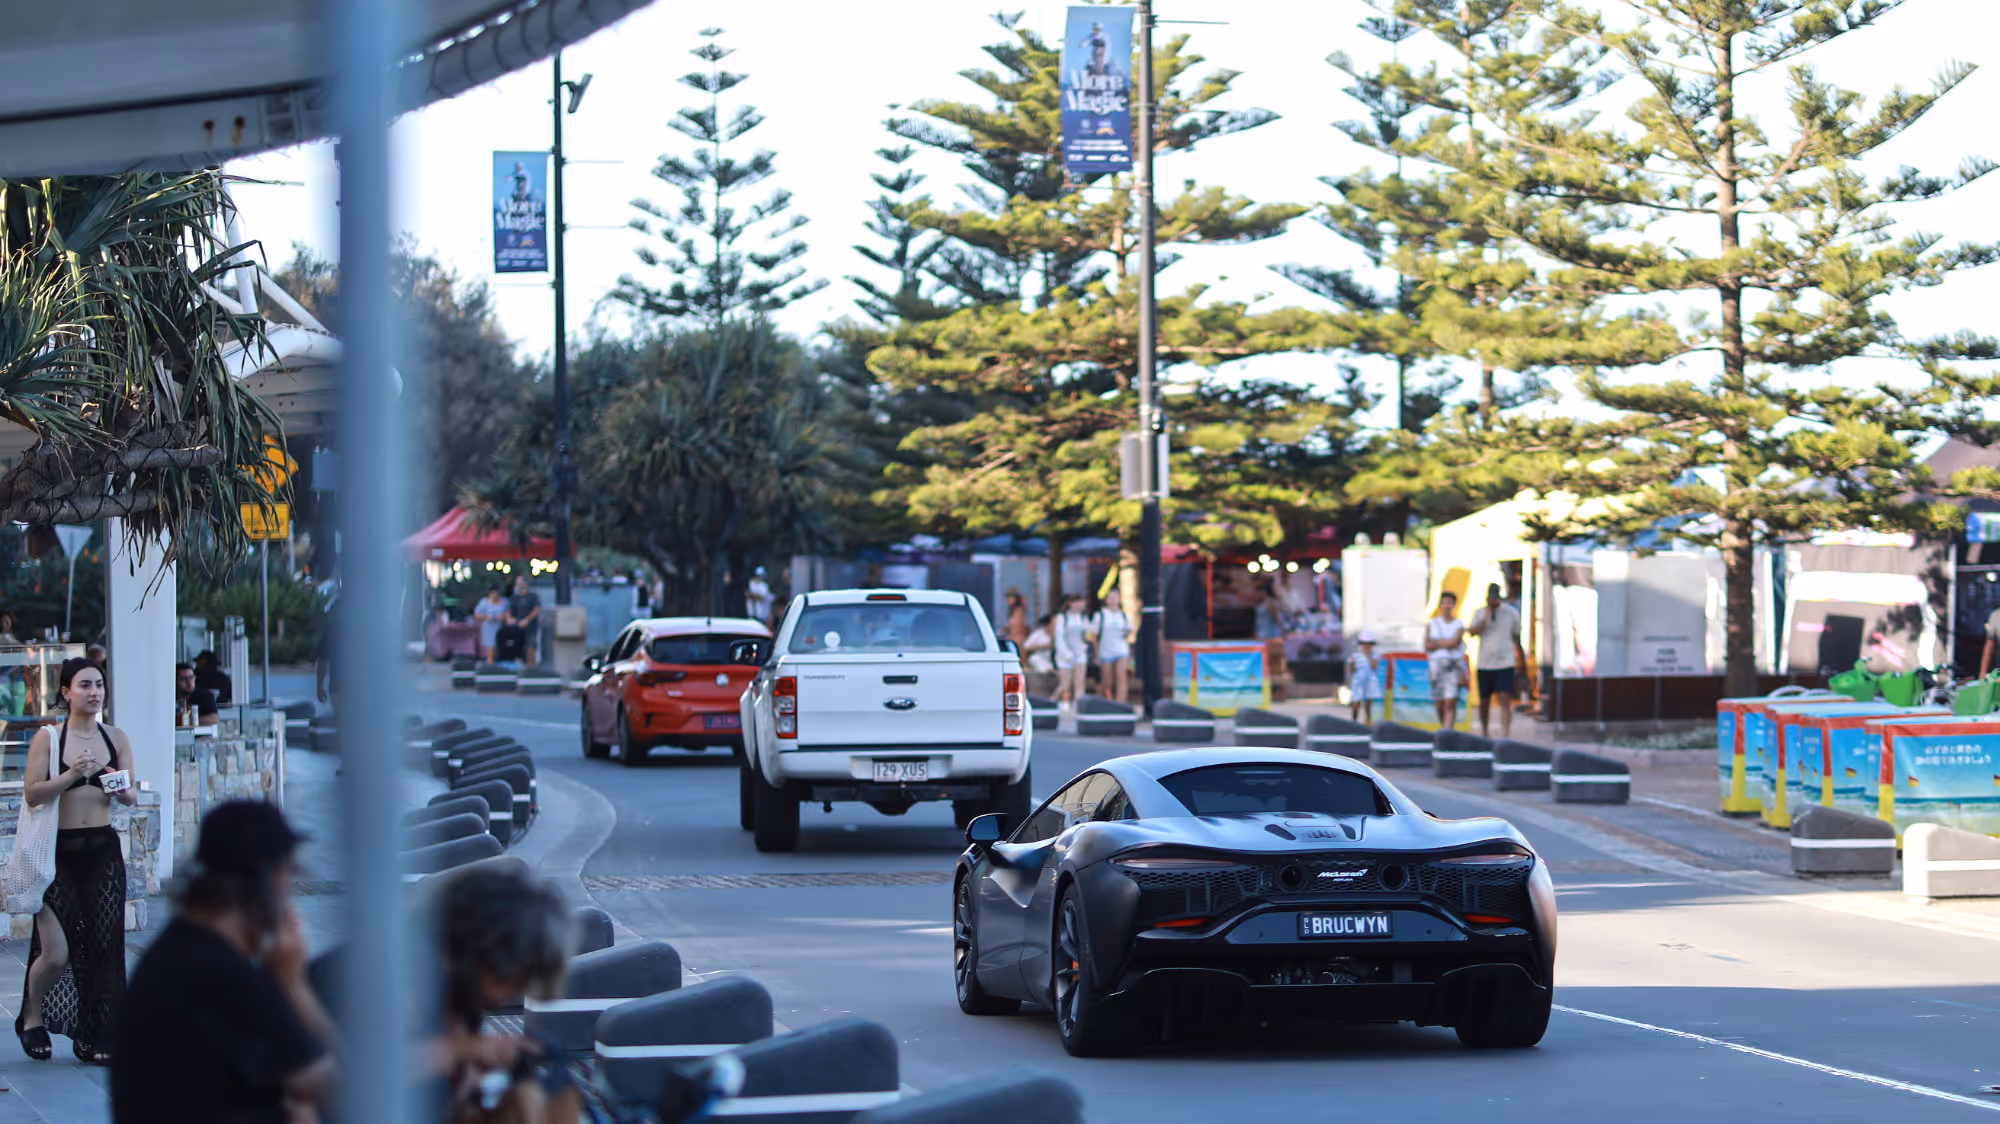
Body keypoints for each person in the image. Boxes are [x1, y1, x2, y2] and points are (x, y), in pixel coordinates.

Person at [111, 800, 335, 1123]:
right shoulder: (217, 972)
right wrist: (293, 985)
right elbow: (345, 1089)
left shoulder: (182, 952)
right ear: (270, 879)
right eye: (289, 875)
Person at [18, 657, 137, 1066]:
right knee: (55, 952)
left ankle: (97, 1033)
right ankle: (31, 1016)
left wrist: (110, 778)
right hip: (57, 853)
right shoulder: (49, 739)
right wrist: (71, 776)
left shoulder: (116, 738)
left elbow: (131, 795)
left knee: (105, 947)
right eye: (85, 685)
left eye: (99, 684)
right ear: (67, 692)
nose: (94, 692)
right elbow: (33, 794)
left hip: (102, 851)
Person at [425, 864, 581, 1124]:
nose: (516, 991)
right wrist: (463, 1049)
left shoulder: (461, 1003)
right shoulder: (399, 991)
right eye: (517, 976)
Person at [1467, 583, 1526, 738]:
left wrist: (1521, 661)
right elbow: (1472, 632)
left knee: (1505, 698)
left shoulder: (1511, 613)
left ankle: (1505, 732)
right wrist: (1486, 617)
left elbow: (1516, 637)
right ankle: (1485, 732)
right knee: (1484, 701)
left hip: (1505, 662)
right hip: (1485, 663)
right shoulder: (1480, 613)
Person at [1425, 591, 1468, 731]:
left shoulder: (1459, 624)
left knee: (1451, 700)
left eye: (1450, 603)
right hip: (1436, 665)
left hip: (1452, 665)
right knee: (1439, 702)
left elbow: (1455, 643)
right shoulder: (1433, 623)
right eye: (1444, 603)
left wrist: (1437, 643)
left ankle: (1449, 730)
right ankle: (1444, 727)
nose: (1447, 606)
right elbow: (1427, 645)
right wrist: (1446, 643)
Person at [1088, 596, 1132, 705]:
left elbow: (1128, 633)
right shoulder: (1100, 616)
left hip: (1121, 650)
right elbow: (1092, 636)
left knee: (1121, 678)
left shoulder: (1124, 615)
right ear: (1106, 601)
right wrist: (1096, 654)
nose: (1113, 600)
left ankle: (1120, 704)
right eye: (1111, 598)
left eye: (1115, 597)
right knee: (1107, 681)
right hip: (1105, 650)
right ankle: (1102, 702)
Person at [1053, 595, 1090, 707]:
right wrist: (1066, 653)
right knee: (1065, 684)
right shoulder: (1062, 618)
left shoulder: (1083, 618)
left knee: (1080, 682)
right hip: (1065, 655)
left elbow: (1087, 635)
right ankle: (1052, 702)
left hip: (1079, 654)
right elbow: (1059, 637)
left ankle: (1079, 707)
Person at [1347, 631, 1384, 725]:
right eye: (1364, 644)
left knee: (1368, 702)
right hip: (1359, 681)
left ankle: (1368, 720)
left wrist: (1368, 655)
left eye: (1369, 644)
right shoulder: (1355, 655)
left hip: (1370, 680)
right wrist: (1352, 664)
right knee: (1356, 702)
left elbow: (1375, 666)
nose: (1366, 646)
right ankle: (1354, 721)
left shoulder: (1375, 655)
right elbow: (1352, 670)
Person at [506, 575, 543, 666]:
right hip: (518, 630)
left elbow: (536, 609)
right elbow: (508, 611)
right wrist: (509, 618)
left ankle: (533, 671)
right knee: (519, 651)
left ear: (525, 583)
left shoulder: (532, 596)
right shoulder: (514, 598)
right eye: (517, 584)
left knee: (530, 650)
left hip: (531, 629)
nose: (519, 585)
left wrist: (527, 620)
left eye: (521, 583)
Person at [1023, 613, 1057, 698]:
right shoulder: (1038, 634)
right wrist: (1044, 646)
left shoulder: (1055, 635)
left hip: (1048, 660)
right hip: (1038, 658)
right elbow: (1027, 646)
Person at [176, 662, 220, 727]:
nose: (189, 682)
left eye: (191, 678)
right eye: (184, 679)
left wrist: (188, 720)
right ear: (175, 681)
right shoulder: (170, 697)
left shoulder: (204, 695)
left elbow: (214, 718)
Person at [474, 586, 509, 663]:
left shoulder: (505, 602)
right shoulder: (484, 602)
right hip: (489, 629)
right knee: (490, 650)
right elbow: (477, 615)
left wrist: (503, 617)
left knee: (499, 649)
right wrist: (487, 617)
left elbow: (508, 614)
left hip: (500, 628)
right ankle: (490, 664)